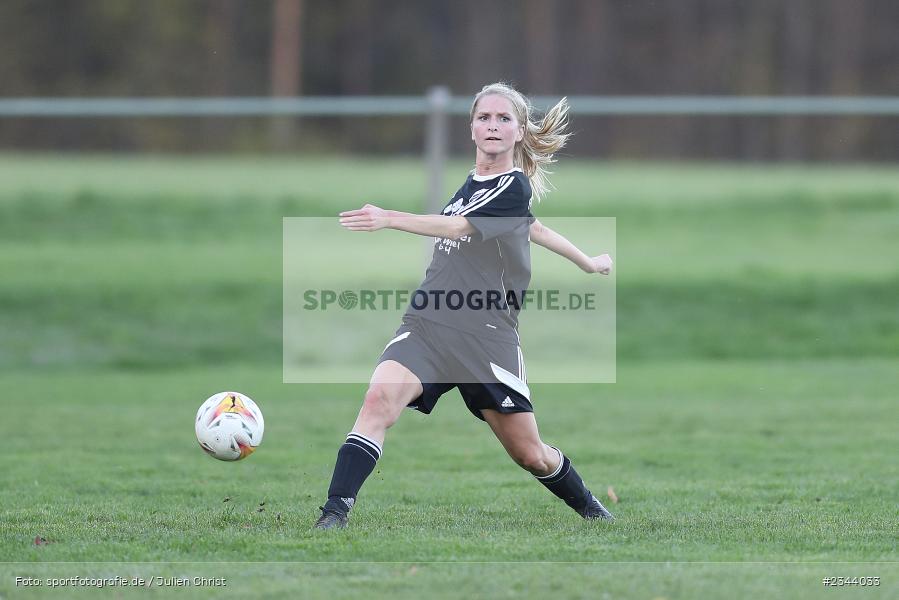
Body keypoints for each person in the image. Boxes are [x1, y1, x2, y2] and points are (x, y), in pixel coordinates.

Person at [314, 82, 614, 529]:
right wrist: (587, 261)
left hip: (486, 340)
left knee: (529, 454)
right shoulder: (475, 184)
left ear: (519, 132)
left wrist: (390, 218)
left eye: (504, 118)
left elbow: (459, 230)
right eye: (484, 117)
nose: (493, 125)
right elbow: (534, 230)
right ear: (471, 128)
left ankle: (591, 508)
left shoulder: (513, 186)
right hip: (429, 323)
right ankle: (334, 514)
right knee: (378, 400)